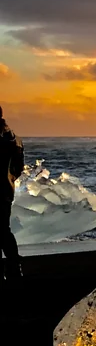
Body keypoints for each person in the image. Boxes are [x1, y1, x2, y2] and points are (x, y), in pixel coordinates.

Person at [0, 105, 25, 280]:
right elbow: (19, 169)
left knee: (1, 230)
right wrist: (10, 179)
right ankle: (14, 266)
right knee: (3, 229)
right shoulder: (15, 139)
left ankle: (14, 266)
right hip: (6, 190)